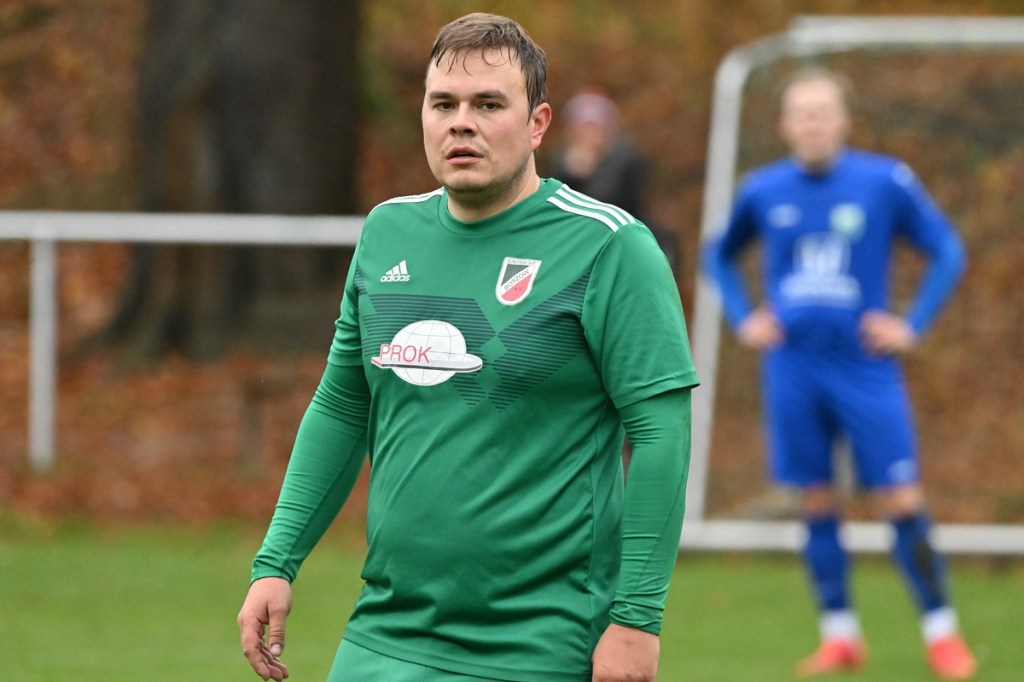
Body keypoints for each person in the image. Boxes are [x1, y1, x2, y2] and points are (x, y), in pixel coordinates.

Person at [237, 12, 698, 682]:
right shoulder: (387, 233)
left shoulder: (609, 246)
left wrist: (636, 619)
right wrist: (276, 561)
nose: (461, 123)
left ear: (537, 123)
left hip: (540, 643)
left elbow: (662, 432)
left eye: (488, 104)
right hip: (385, 633)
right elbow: (342, 406)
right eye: (443, 104)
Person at [702, 67, 975, 679]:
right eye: (802, 114)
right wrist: (745, 317)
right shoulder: (762, 190)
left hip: (865, 367)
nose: (813, 124)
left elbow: (947, 250)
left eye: (823, 112)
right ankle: (840, 635)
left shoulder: (884, 180)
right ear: (785, 125)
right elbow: (717, 256)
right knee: (816, 499)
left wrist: (912, 324)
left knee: (899, 497)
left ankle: (942, 633)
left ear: (844, 120)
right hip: (792, 368)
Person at [547, 88, 679, 274]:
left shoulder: (629, 160)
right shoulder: (561, 162)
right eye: (583, 127)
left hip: (621, 247)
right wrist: (572, 174)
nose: (589, 135)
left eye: (595, 127)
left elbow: (625, 206)